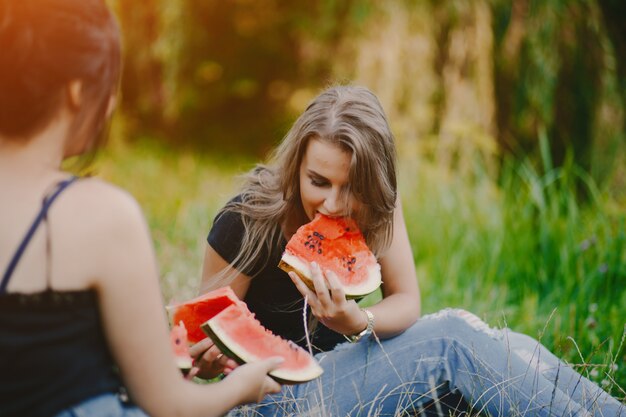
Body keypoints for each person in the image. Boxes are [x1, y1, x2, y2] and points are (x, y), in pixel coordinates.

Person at [194, 85, 625, 416]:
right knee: (451, 339)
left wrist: (356, 320)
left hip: (347, 377)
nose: (333, 204)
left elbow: (407, 300)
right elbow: (205, 335)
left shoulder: (380, 205)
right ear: (296, 168)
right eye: (318, 181)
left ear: (376, 183)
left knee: (516, 345)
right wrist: (211, 359)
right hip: (272, 402)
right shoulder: (247, 222)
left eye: (353, 188)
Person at [0, 1, 283, 416]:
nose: (111, 105)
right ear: (77, 91)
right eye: (110, 86)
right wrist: (241, 387)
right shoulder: (103, 215)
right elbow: (170, 406)